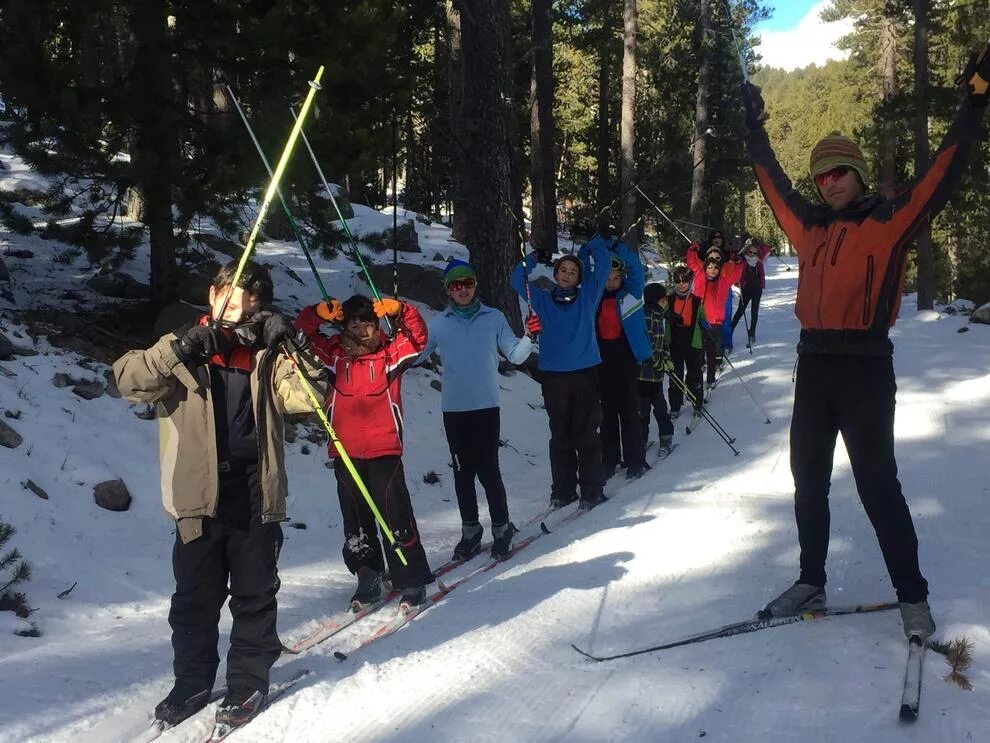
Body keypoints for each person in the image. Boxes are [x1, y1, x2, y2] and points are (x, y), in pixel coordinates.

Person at [741, 45, 990, 639]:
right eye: (821, 176)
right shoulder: (807, 227)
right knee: (808, 480)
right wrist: (753, 127)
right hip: (814, 367)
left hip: (865, 371)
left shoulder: (889, 221)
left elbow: (943, 172)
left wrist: (975, 101)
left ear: (857, 174)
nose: (828, 184)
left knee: (879, 485)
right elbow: (770, 179)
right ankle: (811, 579)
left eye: (839, 173)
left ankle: (912, 597)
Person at [113, 260, 324, 729]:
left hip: (254, 488)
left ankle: (248, 680)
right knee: (193, 599)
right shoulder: (184, 346)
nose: (241, 302)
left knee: (254, 594)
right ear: (214, 293)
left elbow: (312, 398)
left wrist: (296, 344)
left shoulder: (268, 355)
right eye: (233, 292)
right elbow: (128, 381)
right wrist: (179, 348)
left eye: (253, 297)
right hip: (196, 495)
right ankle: (191, 682)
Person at [294, 294, 434, 611]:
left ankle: (410, 577)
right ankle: (368, 574)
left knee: (394, 514)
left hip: (384, 449)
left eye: (367, 323)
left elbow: (418, 338)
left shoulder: (390, 354)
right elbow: (300, 336)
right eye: (353, 323)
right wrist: (315, 313)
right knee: (355, 520)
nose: (360, 330)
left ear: (376, 326)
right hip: (346, 451)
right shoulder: (334, 355)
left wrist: (401, 310)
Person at [418, 259, 535, 561]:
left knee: (488, 470)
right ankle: (470, 531)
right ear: (448, 290)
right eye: (456, 285)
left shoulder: (493, 318)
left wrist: (530, 337)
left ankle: (501, 527)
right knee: (462, 473)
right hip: (454, 410)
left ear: (475, 285)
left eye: (467, 283)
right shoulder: (439, 323)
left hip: (485, 407)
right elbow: (417, 356)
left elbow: (515, 355)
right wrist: (400, 336)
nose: (462, 290)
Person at [510, 238, 611, 509]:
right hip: (554, 377)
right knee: (561, 435)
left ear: (579, 278)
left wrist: (592, 246)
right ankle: (563, 491)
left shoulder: (588, 297)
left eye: (573, 271)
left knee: (587, 433)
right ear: (555, 274)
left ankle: (592, 489)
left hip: (585, 374)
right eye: (563, 270)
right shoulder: (541, 300)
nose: (567, 274)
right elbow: (516, 279)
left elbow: (603, 267)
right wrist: (535, 257)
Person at [588, 254, 651, 480]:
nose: (611, 282)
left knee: (629, 411)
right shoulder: (595, 298)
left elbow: (635, 267)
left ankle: (635, 459)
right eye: (607, 278)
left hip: (625, 360)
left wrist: (616, 247)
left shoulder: (630, 294)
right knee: (607, 413)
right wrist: (595, 247)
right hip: (602, 361)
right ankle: (610, 458)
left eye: (615, 278)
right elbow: (584, 266)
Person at [685, 242, 743, 390]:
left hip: (715, 322)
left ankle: (710, 378)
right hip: (699, 320)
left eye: (716, 265)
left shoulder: (724, 281)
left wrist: (738, 263)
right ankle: (696, 377)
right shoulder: (699, 273)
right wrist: (692, 250)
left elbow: (736, 274)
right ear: (705, 263)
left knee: (711, 352)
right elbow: (691, 262)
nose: (712, 268)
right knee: (698, 351)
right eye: (709, 265)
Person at [638, 282, 674, 455]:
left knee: (660, 408)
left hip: (656, 377)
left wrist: (666, 358)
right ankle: (641, 440)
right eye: (664, 299)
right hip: (642, 375)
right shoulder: (646, 316)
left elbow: (662, 342)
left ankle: (666, 437)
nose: (666, 302)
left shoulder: (660, 316)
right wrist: (655, 361)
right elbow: (645, 345)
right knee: (642, 411)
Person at [666, 263, 706, 417]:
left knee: (694, 374)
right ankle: (675, 406)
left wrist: (704, 323)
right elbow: (659, 313)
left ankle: (697, 402)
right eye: (678, 280)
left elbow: (702, 317)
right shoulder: (669, 300)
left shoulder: (696, 300)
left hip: (692, 341)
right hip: (674, 341)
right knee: (675, 375)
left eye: (684, 281)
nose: (681, 284)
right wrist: (666, 316)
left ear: (690, 282)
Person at [730, 236, 772, 346]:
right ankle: (730, 330)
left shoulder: (758, 262)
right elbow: (735, 269)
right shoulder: (742, 261)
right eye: (750, 252)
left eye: (754, 252)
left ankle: (752, 332)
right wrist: (739, 283)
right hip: (746, 289)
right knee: (740, 310)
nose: (752, 254)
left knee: (754, 311)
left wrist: (759, 241)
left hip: (757, 289)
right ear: (746, 251)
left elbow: (767, 249)